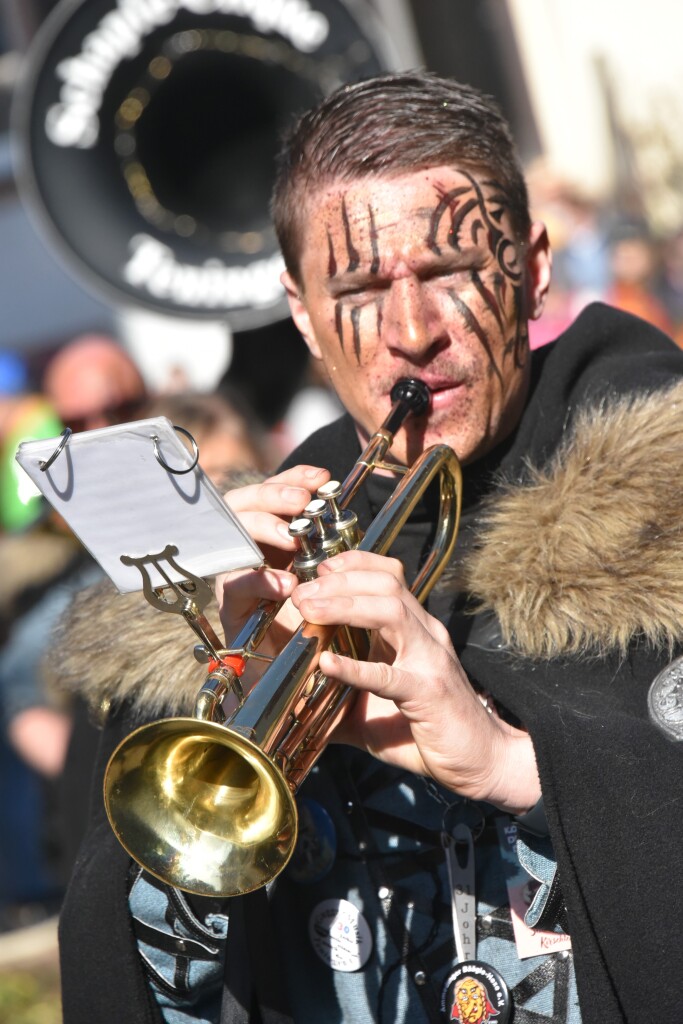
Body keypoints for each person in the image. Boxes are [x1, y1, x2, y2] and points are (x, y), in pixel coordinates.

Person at [57, 72, 683, 1024]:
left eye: (449, 273)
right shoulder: (237, 551)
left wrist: (517, 764)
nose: (411, 333)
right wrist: (220, 680)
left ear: (533, 266)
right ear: (301, 313)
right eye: (356, 288)